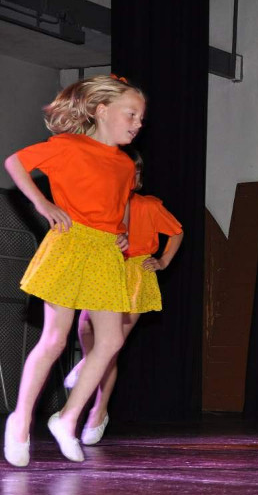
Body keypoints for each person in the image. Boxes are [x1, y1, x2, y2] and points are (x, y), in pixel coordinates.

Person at [4, 75, 144, 466]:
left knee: (111, 341)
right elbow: (15, 162)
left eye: (141, 118)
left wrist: (120, 233)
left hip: (104, 253)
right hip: (71, 243)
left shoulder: (124, 164)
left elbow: (117, 207)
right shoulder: (69, 146)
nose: (137, 124)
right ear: (102, 110)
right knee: (54, 339)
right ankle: (20, 420)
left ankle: (67, 419)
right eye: (131, 114)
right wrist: (42, 204)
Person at [64, 152, 184, 445]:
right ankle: (86, 366)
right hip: (107, 269)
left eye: (134, 173)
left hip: (136, 274)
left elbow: (177, 231)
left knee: (112, 346)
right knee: (85, 327)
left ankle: (99, 412)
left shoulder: (149, 205)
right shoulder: (102, 205)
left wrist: (163, 261)